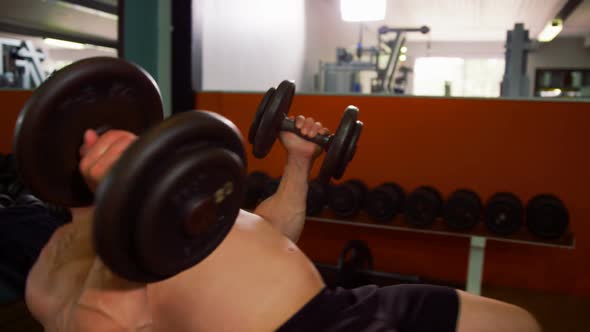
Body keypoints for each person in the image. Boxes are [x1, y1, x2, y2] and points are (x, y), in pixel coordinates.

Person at [23, 115, 541, 332]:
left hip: (346, 306)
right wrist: (112, 206)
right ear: (58, 160)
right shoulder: (63, 257)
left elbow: (271, 230)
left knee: (519, 322)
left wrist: (298, 160)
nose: (99, 134)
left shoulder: (184, 203)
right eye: (85, 136)